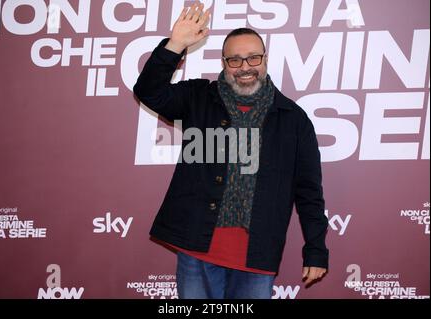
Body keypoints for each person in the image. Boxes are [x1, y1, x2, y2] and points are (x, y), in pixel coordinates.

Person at [133, 2, 328, 299]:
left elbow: (308, 191)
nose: (245, 67)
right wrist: (175, 45)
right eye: (235, 60)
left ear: (265, 59)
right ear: (224, 63)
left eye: (253, 58)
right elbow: (149, 92)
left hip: (256, 258)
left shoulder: (293, 118)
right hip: (196, 247)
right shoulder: (198, 97)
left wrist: (316, 249)